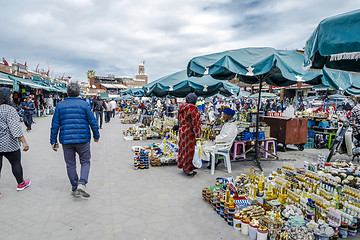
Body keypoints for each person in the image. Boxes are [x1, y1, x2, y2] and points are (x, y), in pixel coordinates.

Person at [50, 83, 100, 198]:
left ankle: (74, 186)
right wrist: (96, 135)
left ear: (67, 93)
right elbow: (93, 121)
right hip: (83, 140)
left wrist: (53, 140)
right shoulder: (84, 105)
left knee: (70, 164)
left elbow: (55, 125)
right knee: (85, 161)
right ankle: (82, 184)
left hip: (66, 141)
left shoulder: (60, 105)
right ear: (79, 93)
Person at [0, 87, 30, 197]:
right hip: (9, 144)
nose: (12, 97)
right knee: (16, 163)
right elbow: (15, 129)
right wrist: (24, 142)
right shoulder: (9, 109)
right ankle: (21, 184)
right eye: (11, 96)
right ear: (7, 97)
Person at [177, 93, 201, 176]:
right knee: (190, 151)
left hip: (182, 131)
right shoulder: (193, 109)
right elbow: (196, 123)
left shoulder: (181, 109)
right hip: (189, 132)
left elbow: (179, 120)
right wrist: (198, 136)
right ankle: (189, 170)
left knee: (183, 149)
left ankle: (184, 167)